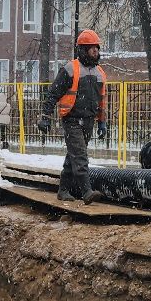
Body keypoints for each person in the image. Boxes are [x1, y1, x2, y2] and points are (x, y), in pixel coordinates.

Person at [42, 29, 107, 200]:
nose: (96, 51)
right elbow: (53, 93)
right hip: (71, 119)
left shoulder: (100, 72)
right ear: (83, 50)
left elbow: (101, 100)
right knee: (80, 155)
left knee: (73, 156)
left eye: (97, 48)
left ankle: (63, 191)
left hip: (88, 120)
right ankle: (87, 191)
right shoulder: (71, 69)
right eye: (92, 48)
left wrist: (102, 122)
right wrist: (45, 117)